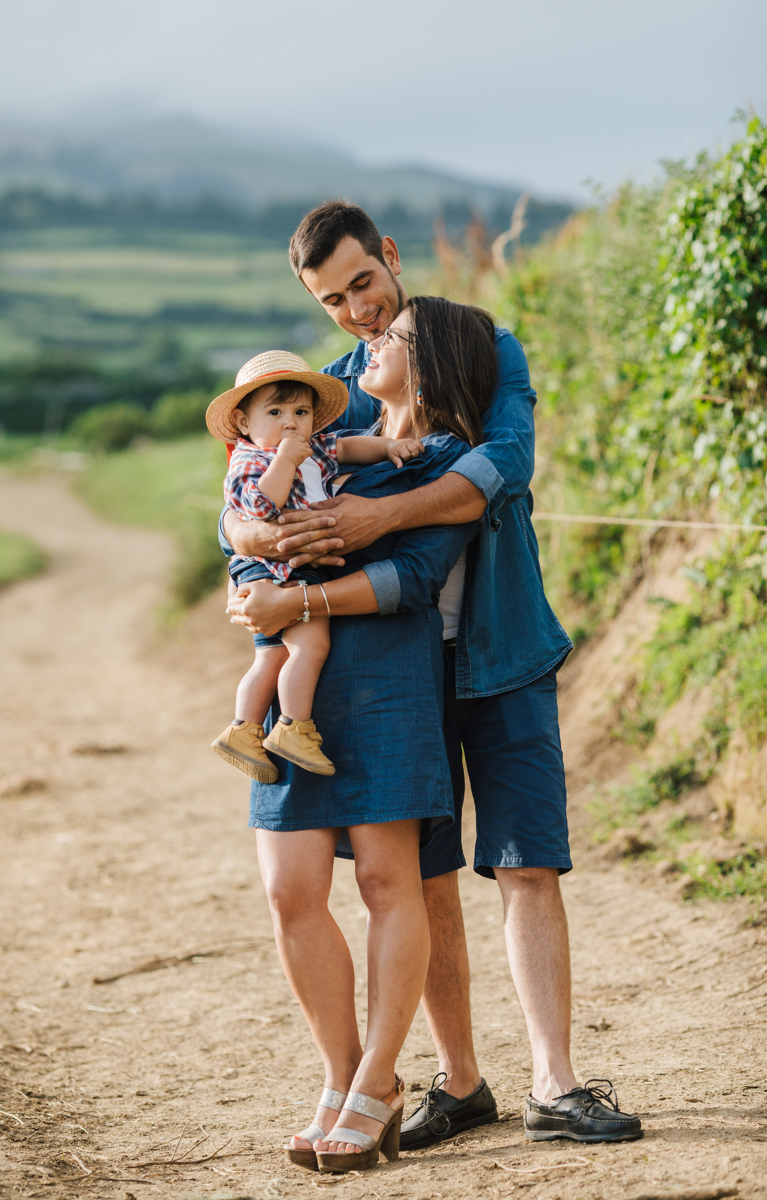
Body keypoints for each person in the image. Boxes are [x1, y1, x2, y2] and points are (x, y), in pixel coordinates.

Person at [224, 200, 643, 1147]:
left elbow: (501, 467)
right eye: (333, 301)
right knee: (423, 875)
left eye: (364, 285)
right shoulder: (329, 394)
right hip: (388, 675)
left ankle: (556, 1084)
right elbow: (256, 488)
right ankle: (458, 1082)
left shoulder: (486, 352)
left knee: (528, 859)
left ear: (392, 258)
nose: (358, 314)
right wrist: (250, 552)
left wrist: (374, 520)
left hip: (498, 646)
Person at [227, 296, 496, 1171]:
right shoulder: (307, 438)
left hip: (387, 679)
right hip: (298, 677)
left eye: (393, 338)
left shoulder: (444, 460)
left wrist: (294, 596)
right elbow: (241, 511)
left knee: (389, 880)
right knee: (289, 889)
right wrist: (241, 534)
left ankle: (379, 1076)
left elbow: (417, 576)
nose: (368, 338)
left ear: (433, 362)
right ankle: (345, 1076)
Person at [206, 350, 424, 781]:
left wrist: (389, 446)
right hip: (276, 569)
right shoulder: (250, 461)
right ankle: (293, 727)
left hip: (284, 568)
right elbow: (260, 505)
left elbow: (348, 446)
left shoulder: (316, 448)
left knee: (271, 656)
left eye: (301, 411)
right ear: (245, 423)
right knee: (311, 644)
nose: (291, 422)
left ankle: (242, 729)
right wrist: (285, 460)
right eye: (275, 411)